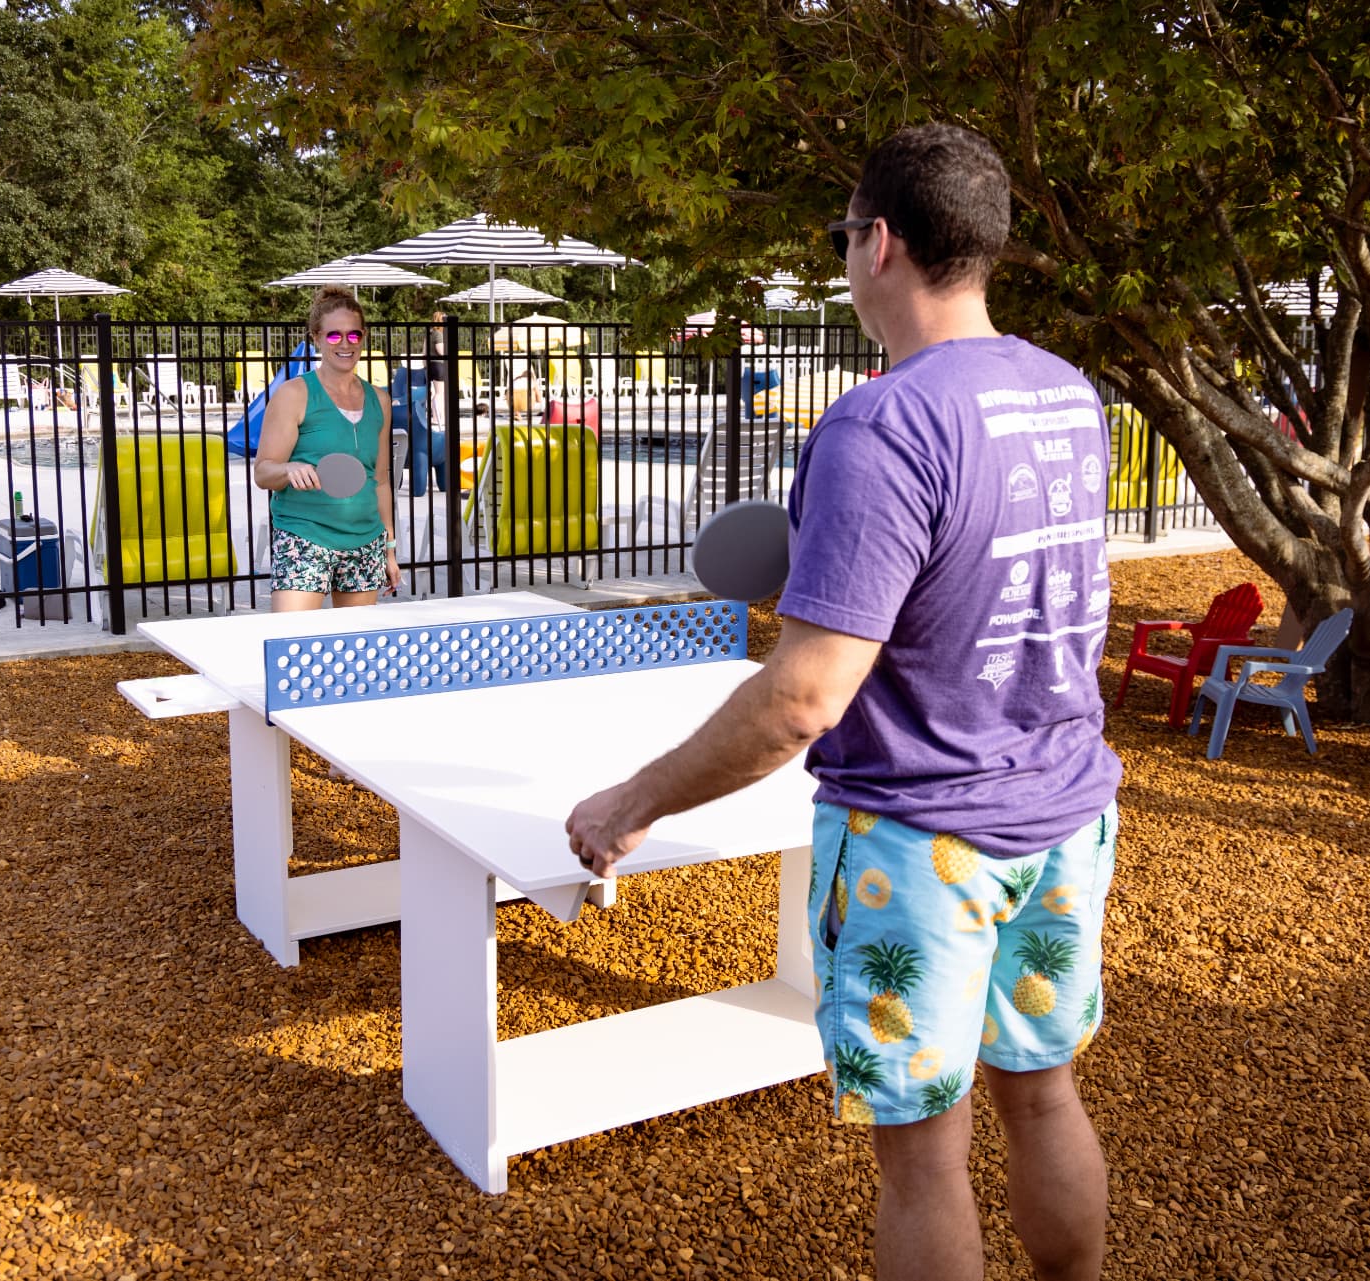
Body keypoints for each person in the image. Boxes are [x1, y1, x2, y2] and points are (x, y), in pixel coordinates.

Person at [565, 125, 1122, 1281]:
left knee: (925, 1157)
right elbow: (984, 580)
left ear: (880, 243)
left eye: (842, 238)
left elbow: (804, 699)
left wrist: (635, 800)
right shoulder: (1066, 393)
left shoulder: (880, 424)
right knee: (1045, 1093)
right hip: (1065, 817)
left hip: (919, 842)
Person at [253, 285, 402, 611]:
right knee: (293, 646)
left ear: (363, 337)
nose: (345, 343)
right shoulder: (294, 394)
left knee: (356, 653)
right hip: (304, 537)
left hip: (365, 541)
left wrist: (389, 550)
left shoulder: (380, 400)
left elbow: (380, 481)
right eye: (334, 336)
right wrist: (287, 469)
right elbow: (263, 472)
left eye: (354, 335)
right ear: (317, 339)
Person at [425, 310, 448, 430]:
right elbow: (440, 350)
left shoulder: (430, 333)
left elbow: (424, 350)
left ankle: (437, 416)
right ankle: (438, 417)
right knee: (440, 392)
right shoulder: (438, 334)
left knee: (436, 392)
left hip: (431, 364)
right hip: (439, 365)